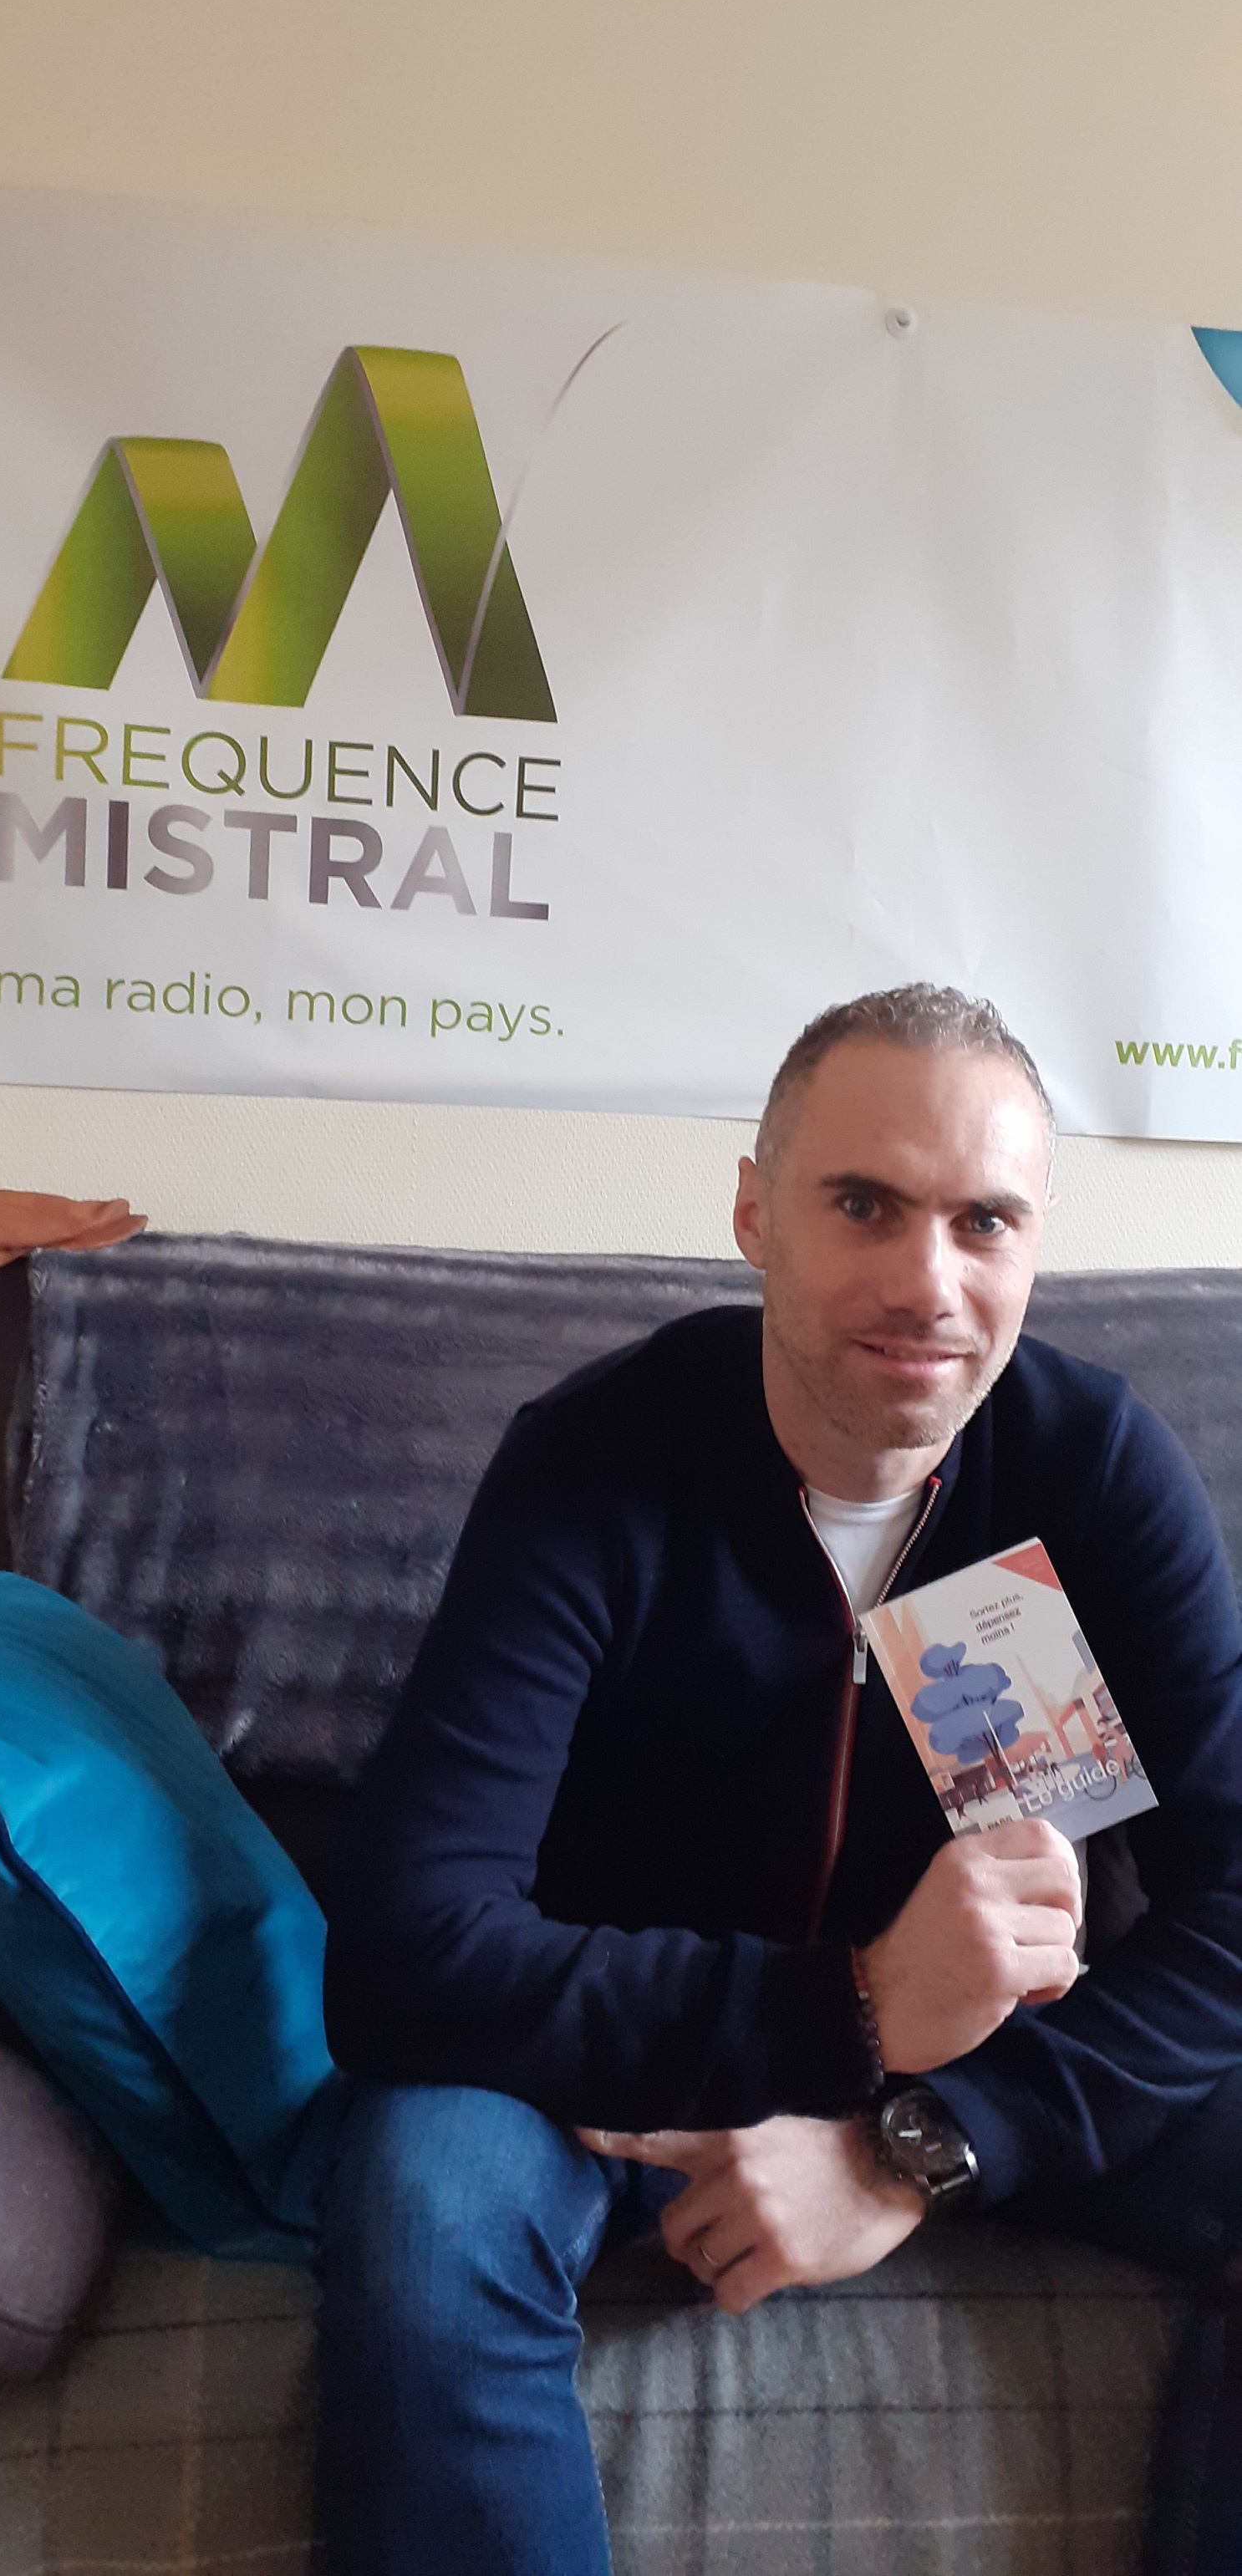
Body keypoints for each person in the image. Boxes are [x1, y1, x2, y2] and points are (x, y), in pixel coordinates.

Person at [318, 984, 1242, 2575]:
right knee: (421, 2206)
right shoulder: (595, 1466)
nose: (929, 1283)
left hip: (989, 2066)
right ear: (754, 1212)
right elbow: (404, 1952)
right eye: (864, 1205)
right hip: (608, 2065)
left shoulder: (1094, 1470)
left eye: (985, 1220)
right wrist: (858, 2008)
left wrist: (917, 2144)